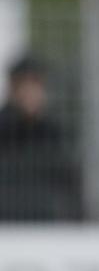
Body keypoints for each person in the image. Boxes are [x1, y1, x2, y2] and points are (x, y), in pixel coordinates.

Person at [0, 56, 81, 220]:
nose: (31, 93)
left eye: (36, 85)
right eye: (25, 85)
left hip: (46, 227)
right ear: (13, 88)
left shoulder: (53, 133)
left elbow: (70, 183)